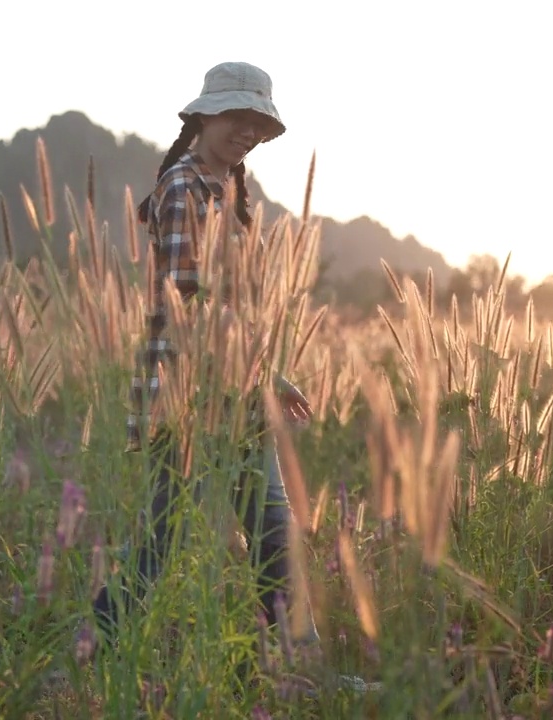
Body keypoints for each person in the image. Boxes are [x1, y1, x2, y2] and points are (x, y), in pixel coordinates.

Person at [87, 61, 374, 694]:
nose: (245, 131)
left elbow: (231, 303)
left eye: (256, 122)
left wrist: (270, 374)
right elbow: (190, 297)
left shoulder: (228, 190)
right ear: (202, 117)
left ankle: (306, 670)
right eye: (234, 117)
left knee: (269, 531)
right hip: (190, 396)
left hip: (233, 391)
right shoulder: (186, 187)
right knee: (166, 541)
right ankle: (95, 652)